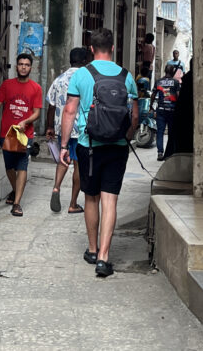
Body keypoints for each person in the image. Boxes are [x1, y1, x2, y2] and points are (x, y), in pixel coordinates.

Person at [60, 28, 138, 278]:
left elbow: (70, 111)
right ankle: (104, 258)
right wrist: (125, 137)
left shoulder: (82, 75)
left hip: (88, 145)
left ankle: (92, 249)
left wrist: (64, 146)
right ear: (113, 48)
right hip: (117, 147)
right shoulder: (126, 76)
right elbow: (135, 116)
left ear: (91, 49)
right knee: (110, 200)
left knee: (91, 197)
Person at [0, 53, 42, 217]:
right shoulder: (7, 85)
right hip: (7, 133)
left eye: (26, 64)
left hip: (25, 135)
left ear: (30, 68)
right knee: (9, 167)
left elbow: (37, 112)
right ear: (16, 66)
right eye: (20, 64)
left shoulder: (36, 88)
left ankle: (17, 203)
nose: (23, 67)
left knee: (22, 166)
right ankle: (14, 190)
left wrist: (26, 122)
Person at [44, 46, 89, 214]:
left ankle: (56, 187)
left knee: (63, 160)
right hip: (80, 129)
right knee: (78, 165)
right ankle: (73, 203)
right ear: (85, 61)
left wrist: (50, 126)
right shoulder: (85, 79)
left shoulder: (59, 79)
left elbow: (51, 106)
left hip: (62, 128)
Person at [152, 63, 182, 160]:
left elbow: (153, 94)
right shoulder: (176, 82)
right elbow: (178, 96)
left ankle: (160, 153)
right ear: (173, 71)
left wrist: (150, 106)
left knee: (160, 132)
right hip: (172, 110)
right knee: (171, 132)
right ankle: (170, 153)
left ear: (165, 71)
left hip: (161, 110)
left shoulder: (158, 81)